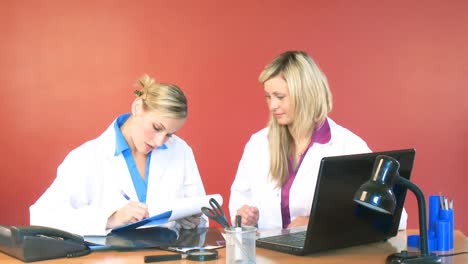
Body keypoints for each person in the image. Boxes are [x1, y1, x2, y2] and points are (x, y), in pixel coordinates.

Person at [229, 51, 407, 230]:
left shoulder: (348, 146)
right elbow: (239, 202)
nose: (272, 105)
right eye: (268, 97)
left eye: (280, 97)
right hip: (266, 256)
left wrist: (318, 222)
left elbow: (398, 219)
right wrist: (243, 217)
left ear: (305, 94)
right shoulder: (258, 144)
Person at [30, 74, 207, 236]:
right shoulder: (87, 157)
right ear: (137, 107)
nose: (160, 142)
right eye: (157, 128)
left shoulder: (181, 151)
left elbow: (199, 218)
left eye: (169, 134)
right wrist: (110, 219)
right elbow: (42, 217)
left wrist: (193, 221)